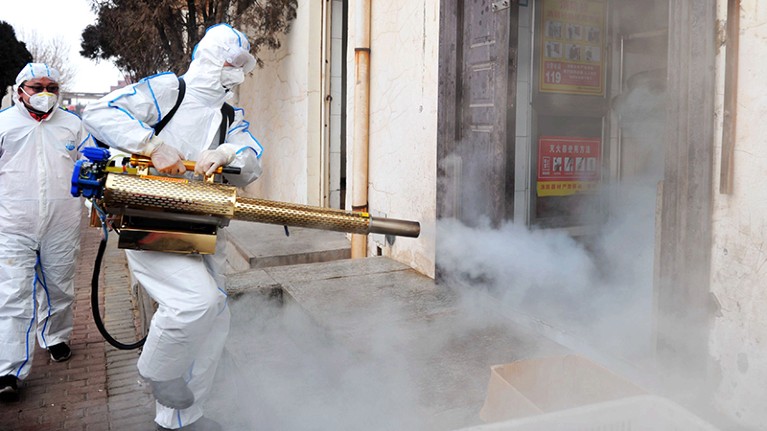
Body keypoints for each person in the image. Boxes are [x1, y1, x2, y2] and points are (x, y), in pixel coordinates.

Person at [82, 23, 263, 431]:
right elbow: (99, 112)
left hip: (200, 221)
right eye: (230, 63)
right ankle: (157, 370)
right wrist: (151, 144)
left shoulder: (228, 114)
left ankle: (182, 416)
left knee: (214, 316)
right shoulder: (169, 90)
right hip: (149, 219)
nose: (236, 72)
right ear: (211, 59)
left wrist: (225, 152)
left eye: (242, 66)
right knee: (193, 302)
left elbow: (253, 156)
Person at [0, 63, 94, 402]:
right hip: (12, 224)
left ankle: (55, 337)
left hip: (62, 222)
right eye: (37, 86)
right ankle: (8, 369)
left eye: (51, 87)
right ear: (20, 89)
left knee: (58, 286)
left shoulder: (72, 125)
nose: (44, 94)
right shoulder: (4, 124)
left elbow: (91, 166)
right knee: (13, 295)